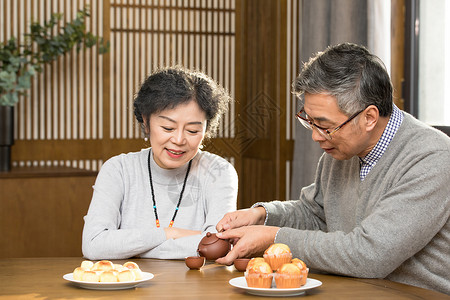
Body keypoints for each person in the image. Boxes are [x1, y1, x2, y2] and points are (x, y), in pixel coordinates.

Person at [215, 43, 450, 294]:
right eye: (310, 121)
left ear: (369, 117)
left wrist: (274, 238)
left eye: (325, 125)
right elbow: (316, 215)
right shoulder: (341, 149)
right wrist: (263, 216)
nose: (316, 136)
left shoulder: (432, 158)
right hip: (350, 290)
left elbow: (370, 254)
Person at [82, 66, 238, 260]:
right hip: (128, 286)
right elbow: (94, 245)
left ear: (205, 131)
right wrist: (168, 233)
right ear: (146, 122)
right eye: (168, 127)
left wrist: (128, 248)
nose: (179, 140)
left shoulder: (219, 171)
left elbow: (218, 246)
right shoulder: (118, 170)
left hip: (196, 287)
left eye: (192, 131)